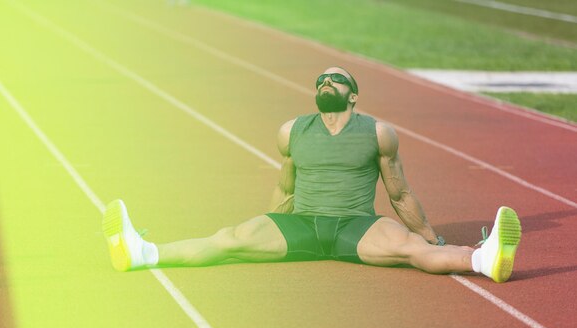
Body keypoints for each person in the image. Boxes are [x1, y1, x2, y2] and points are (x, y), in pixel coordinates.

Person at [102, 67, 522, 283]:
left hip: (355, 226)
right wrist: (268, 224)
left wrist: (430, 234)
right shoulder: (291, 130)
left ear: (352, 95)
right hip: (300, 224)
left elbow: (399, 193)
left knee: (414, 250)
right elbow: (284, 187)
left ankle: (483, 260)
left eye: (335, 80)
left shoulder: (378, 133)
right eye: (321, 80)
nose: (326, 82)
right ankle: (143, 253)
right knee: (229, 239)